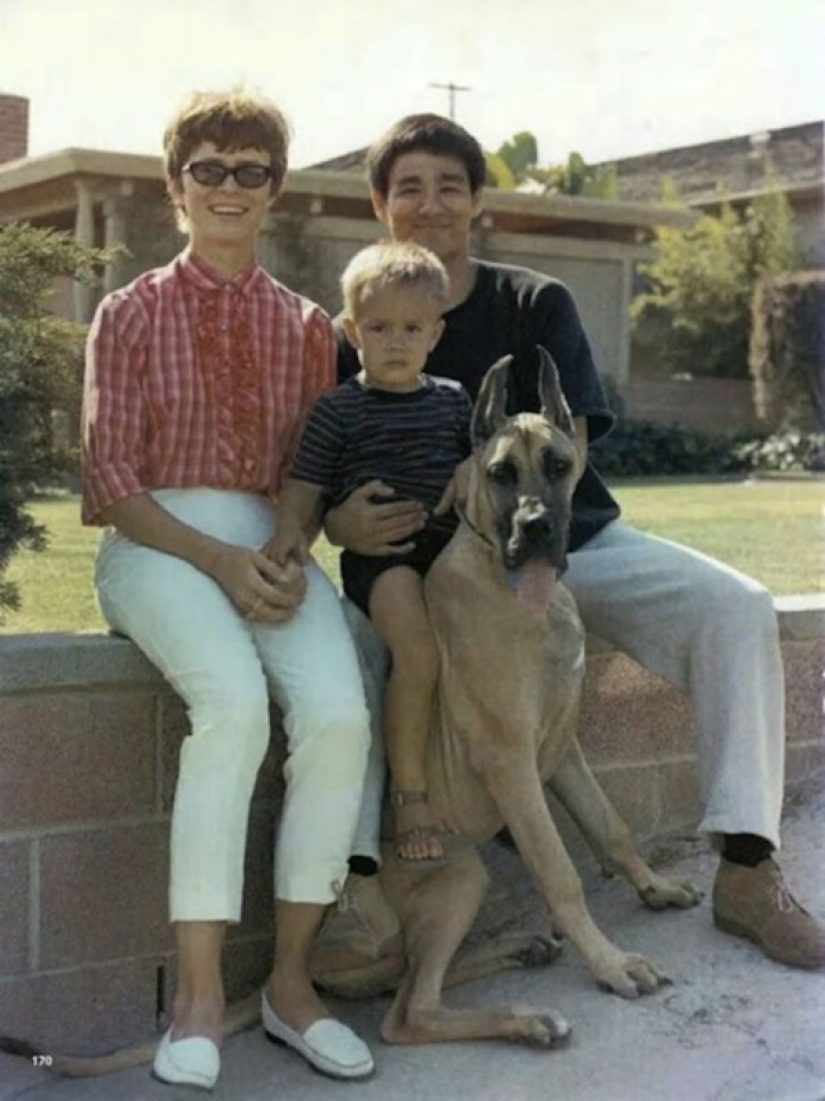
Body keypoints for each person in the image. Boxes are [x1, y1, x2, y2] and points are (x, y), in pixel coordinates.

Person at [325, 112, 825, 972]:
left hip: (572, 544)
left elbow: (571, 443)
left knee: (735, 608)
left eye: (451, 185)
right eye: (409, 186)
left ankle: (746, 865)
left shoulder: (534, 301)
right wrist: (338, 523)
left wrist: (504, 507)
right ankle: (361, 902)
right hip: (426, 572)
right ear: (380, 204)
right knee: (356, 670)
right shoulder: (352, 326)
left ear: (477, 201)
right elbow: (329, 465)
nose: (432, 203)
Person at [81, 89, 375, 1090]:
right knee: (235, 705)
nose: (229, 188)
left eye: (252, 171)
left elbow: (310, 469)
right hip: (156, 544)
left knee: (337, 713)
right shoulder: (127, 313)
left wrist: (286, 549)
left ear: (275, 191)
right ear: (176, 187)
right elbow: (112, 481)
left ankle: (292, 991)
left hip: (271, 542)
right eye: (208, 168)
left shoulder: (304, 326)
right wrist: (219, 562)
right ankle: (199, 1000)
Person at [271, 240, 472, 864]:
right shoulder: (339, 409)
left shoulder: (453, 400)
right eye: (379, 328)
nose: (395, 342)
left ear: (435, 334)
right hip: (383, 562)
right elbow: (304, 486)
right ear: (352, 330)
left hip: (449, 557)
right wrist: (286, 541)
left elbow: (478, 464)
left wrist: (471, 468)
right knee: (417, 654)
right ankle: (410, 795)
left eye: (411, 328)